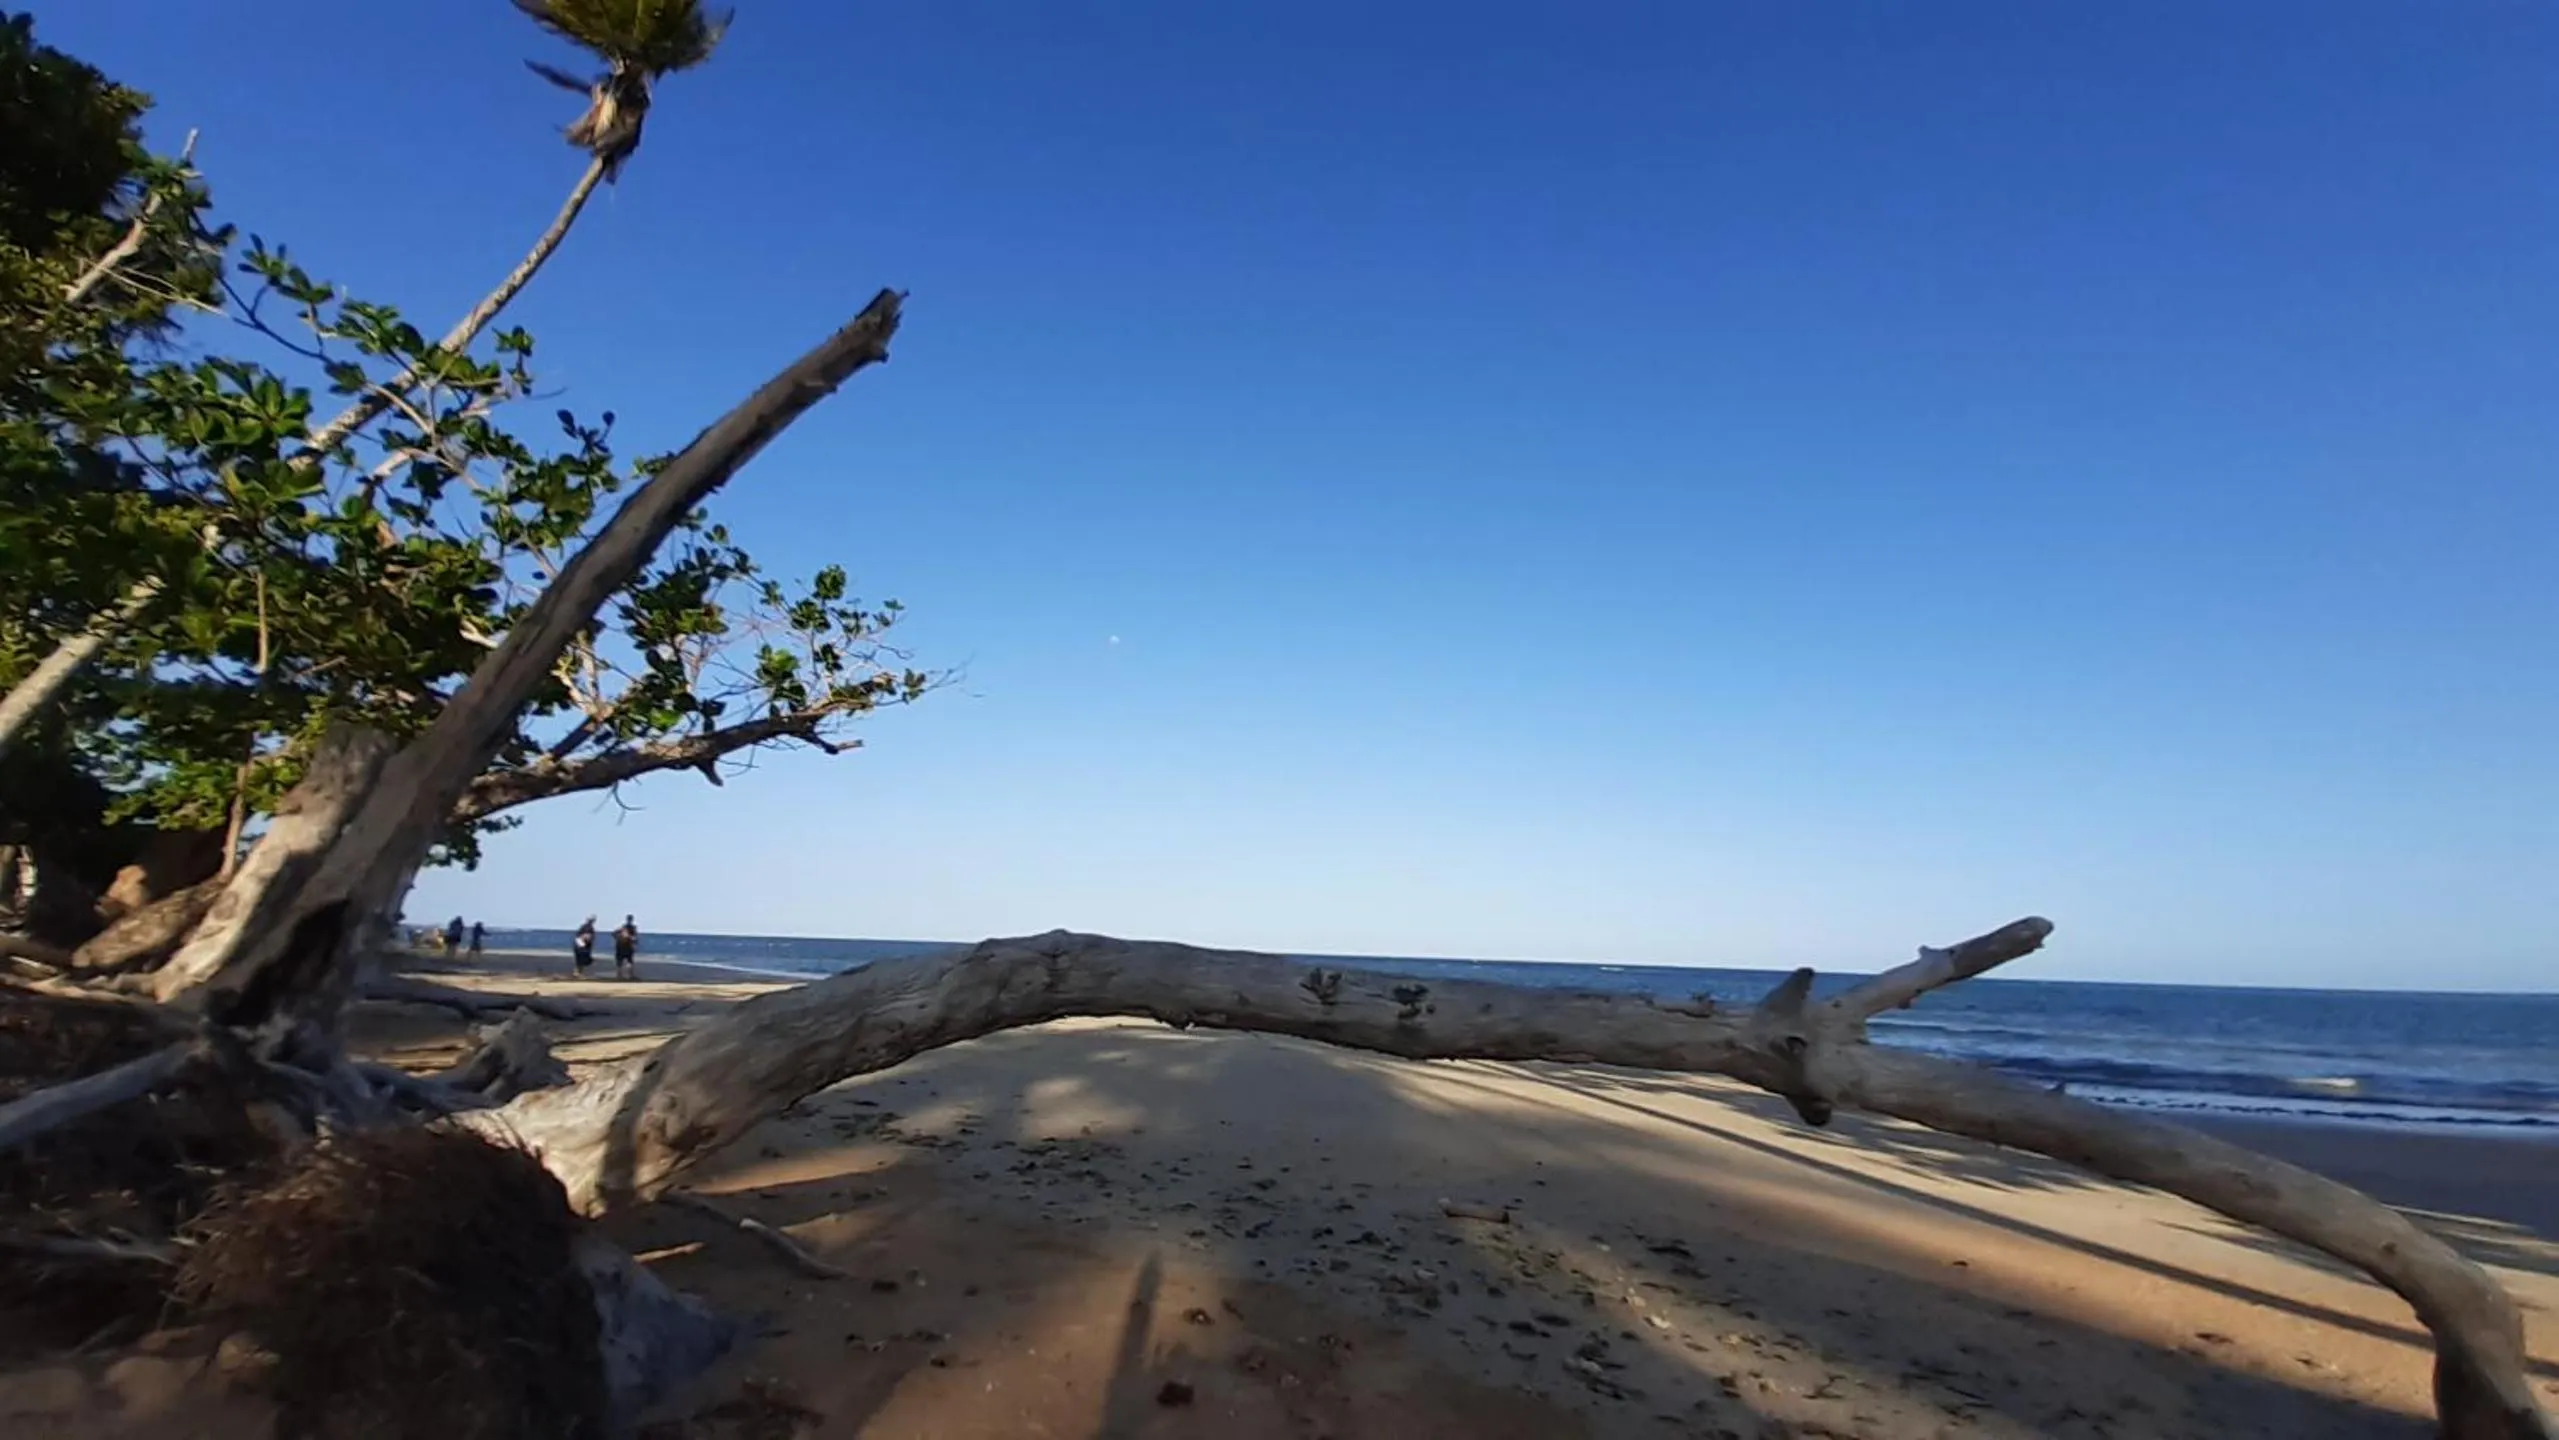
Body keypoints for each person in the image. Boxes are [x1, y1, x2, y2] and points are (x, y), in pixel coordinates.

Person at [612, 915, 639, 981]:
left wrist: (617, 939)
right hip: (628, 946)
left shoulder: (622, 927)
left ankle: (619, 975)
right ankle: (630, 976)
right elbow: (635, 938)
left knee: (619, 961)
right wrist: (634, 942)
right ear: (632, 919)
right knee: (629, 961)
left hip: (620, 946)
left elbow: (613, 933)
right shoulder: (633, 927)